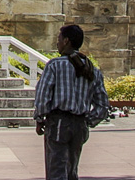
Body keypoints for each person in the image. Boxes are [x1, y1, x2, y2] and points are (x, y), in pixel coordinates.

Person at [33, 23, 109, 180]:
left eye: (59, 39)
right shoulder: (92, 70)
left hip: (59, 123)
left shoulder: (55, 65)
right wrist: (87, 121)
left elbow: (43, 95)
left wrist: (40, 118)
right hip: (79, 125)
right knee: (71, 171)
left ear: (66, 41)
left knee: (57, 170)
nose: (57, 42)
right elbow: (103, 105)